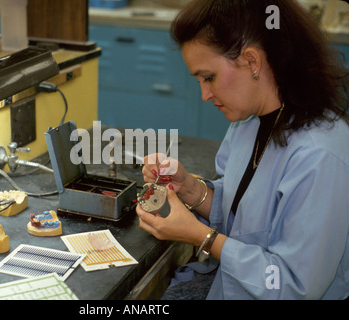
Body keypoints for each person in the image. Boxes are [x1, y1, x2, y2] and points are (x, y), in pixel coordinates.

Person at [136, 0, 349, 300]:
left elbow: (291, 285)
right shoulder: (249, 123)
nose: (205, 95)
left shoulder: (319, 156)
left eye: (208, 77)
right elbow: (246, 215)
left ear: (252, 61)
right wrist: (191, 190)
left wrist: (201, 237)